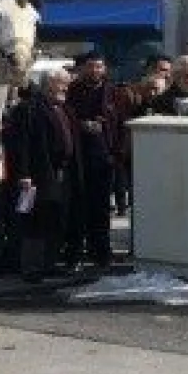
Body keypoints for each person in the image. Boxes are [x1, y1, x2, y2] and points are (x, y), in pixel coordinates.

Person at [10, 68, 82, 283]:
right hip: (38, 175)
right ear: (48, 84)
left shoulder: (65, 109)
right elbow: (21, 145)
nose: (66, 87)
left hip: (63, 174)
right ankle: (32, 268)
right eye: (61, 83)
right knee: (35, 222)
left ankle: (49, 264)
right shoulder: (28, 109)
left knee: (56, 219)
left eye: (66, 83)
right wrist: (24, 174)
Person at [66, 51, 119, 269]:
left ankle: (101, 254)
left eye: (99, 66)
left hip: (104, 160)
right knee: (77, 210)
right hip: (77, 159)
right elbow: (67, 117)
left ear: (104, 69)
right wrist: (82, 125)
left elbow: (119, 122)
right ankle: (74, 254)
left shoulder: (113, 92)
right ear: (83, 68)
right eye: (91, 66)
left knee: (101, 210)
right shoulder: (73, 91)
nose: (95, 70)